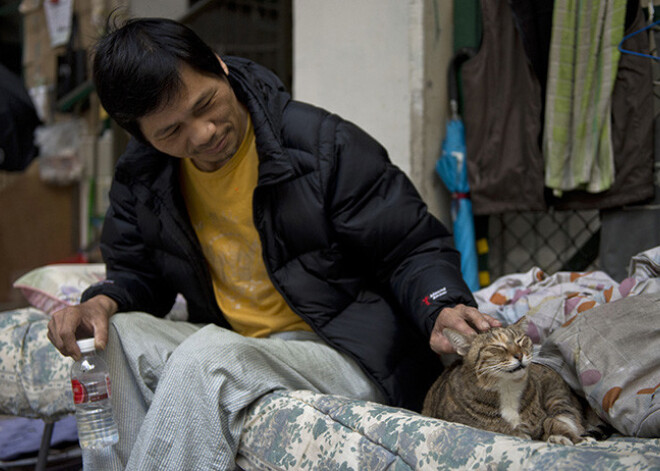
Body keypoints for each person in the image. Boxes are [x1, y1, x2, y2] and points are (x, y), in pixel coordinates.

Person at [47, 17, 501, 470]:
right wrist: (103, 302)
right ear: (142, 135)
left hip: (343, 351)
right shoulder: (142, 176)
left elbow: (410, 247)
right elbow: (139, 275)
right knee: (109, 340)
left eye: (206, 103)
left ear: (221, 68)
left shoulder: (323, 145)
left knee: (208, 358)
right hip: (246, 345)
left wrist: (440, 304)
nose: (202, 133)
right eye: (171, 131)